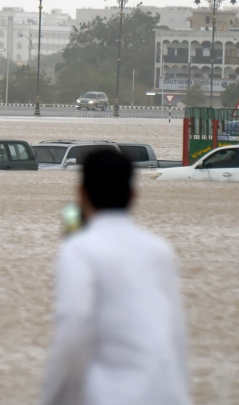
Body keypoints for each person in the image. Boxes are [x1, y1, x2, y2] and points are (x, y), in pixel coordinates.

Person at [41, 149, 190, 405]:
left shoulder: (78, 250)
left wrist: (50, 398)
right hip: (167, 394)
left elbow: (73, 332)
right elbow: (176, 338)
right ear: (134, 195)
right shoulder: (160, 251)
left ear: (81, 193)